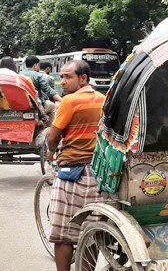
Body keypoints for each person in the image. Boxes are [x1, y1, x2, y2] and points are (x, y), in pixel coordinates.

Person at [45, 60, 106, 271]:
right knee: (91, 230)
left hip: (74, 173)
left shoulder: (69, 101)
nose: (62, 81)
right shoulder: (103, 99)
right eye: (61, 76)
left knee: (63, 235)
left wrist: (51, 151)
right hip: (99, 173)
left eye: (68, 77)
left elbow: (53, 136)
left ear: (83, 79)